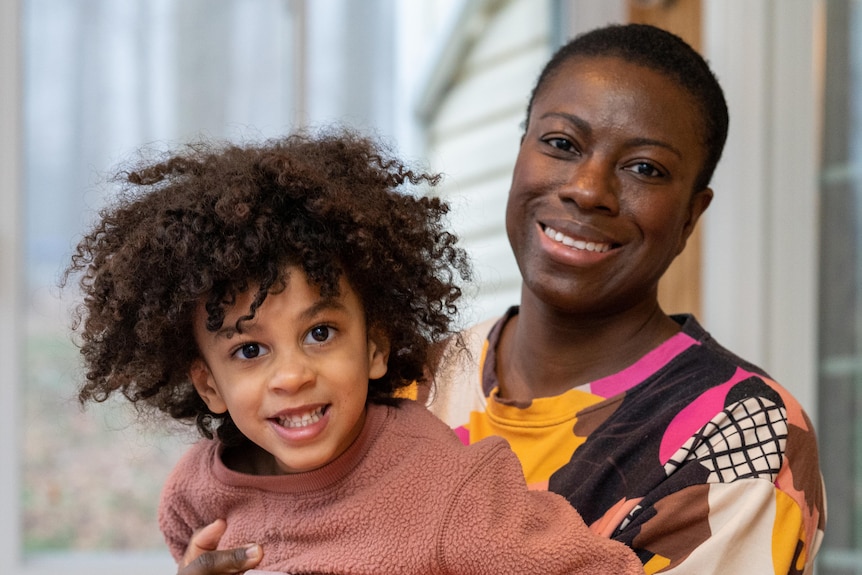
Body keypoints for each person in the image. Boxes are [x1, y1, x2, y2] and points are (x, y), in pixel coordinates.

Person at [178, 23, 827, 575]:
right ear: (521, 154)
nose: (588, 188)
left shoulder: (745, 434)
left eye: (645, 168)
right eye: (561, 144)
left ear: (692, 213)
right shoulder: (400, 379)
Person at [65, 130, 643, 574]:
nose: (291, 375)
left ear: (374, 347)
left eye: (319, 333)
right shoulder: (195, 494)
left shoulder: (447, 492)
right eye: (248, 350)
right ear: (209, 384)